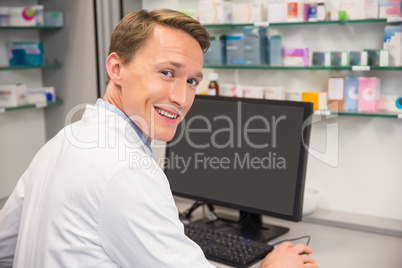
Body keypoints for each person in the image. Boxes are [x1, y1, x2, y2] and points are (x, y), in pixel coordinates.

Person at [0, 9, 317, 268]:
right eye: (167, 72)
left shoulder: (64, 140)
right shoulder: (127, 171)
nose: (181, 97)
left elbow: (4, 248)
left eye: (192, 80)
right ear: (116, 68)